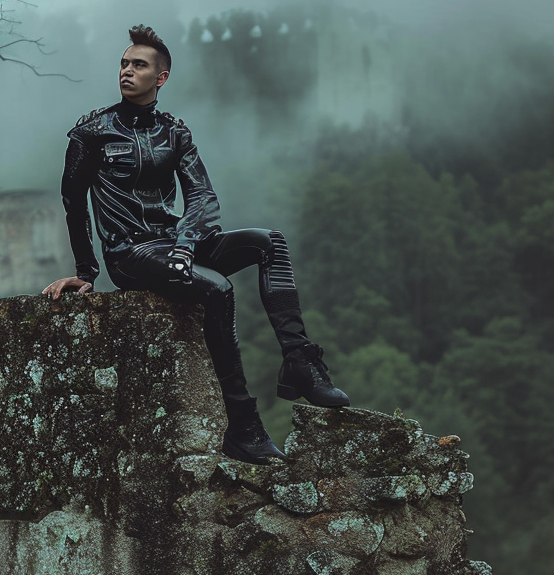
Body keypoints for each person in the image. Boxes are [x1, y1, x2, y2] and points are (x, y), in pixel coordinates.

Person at [43, 24, 349, 464]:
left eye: (139, 65)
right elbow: (73, 203)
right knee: (218, 289)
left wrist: (186, 244)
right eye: (124, 64)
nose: (127, 71)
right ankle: (243, 426)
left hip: (175, 244)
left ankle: (300, 362)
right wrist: (88, 272)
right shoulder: (92, 131)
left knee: (269, 242)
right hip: (131, 253)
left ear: (161, 77)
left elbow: (202, 195)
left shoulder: (175, 132)